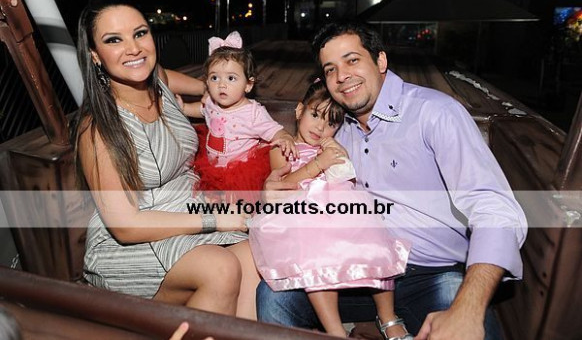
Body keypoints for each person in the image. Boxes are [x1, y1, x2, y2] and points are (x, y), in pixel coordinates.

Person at [256, 21, 528, 340]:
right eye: (331, 69)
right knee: (274, 297)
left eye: (352, 60)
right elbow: (302, 179)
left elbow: (493, 207)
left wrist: (469, 307)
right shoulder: (335, 130)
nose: (342, 75)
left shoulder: (435, 113)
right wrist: (273, 193)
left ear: (380, 60)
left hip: (432, 272)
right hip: (354, 267)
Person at [72, 0, 258, 320]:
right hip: (133, 239)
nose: (133, 48)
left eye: (140, 33)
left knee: (254, 253)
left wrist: (219, 90)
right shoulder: (98, 127)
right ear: (95, 55)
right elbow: (125, 226)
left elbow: (186, 81)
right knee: (221, 268)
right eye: (114, 40)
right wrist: (215, 220)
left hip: (187, 207)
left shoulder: (155, 80)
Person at [249, 79, 411, 338]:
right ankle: (335, 331)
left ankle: (388, 317)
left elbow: (348, 177)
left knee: (375, 241)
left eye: (331, 123)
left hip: (339, 213)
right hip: (301, 216)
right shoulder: (284, 148)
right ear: (299, 110)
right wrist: (318, 164)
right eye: (315, 115)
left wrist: (336, 156)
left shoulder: (331, 147)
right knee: (317, 258)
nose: (320, 127)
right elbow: (284, 185)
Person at [181, 31, 296, 193]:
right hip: (212, 167)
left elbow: (274, 130)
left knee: (237, 201)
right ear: (207, 81)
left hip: (240, 172)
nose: (221, 84)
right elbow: (201, 110)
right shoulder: (211, 102)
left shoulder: (253, 112)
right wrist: (184, 107)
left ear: (248, 85)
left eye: (231, 78)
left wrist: (285, 137)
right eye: (214, 78)